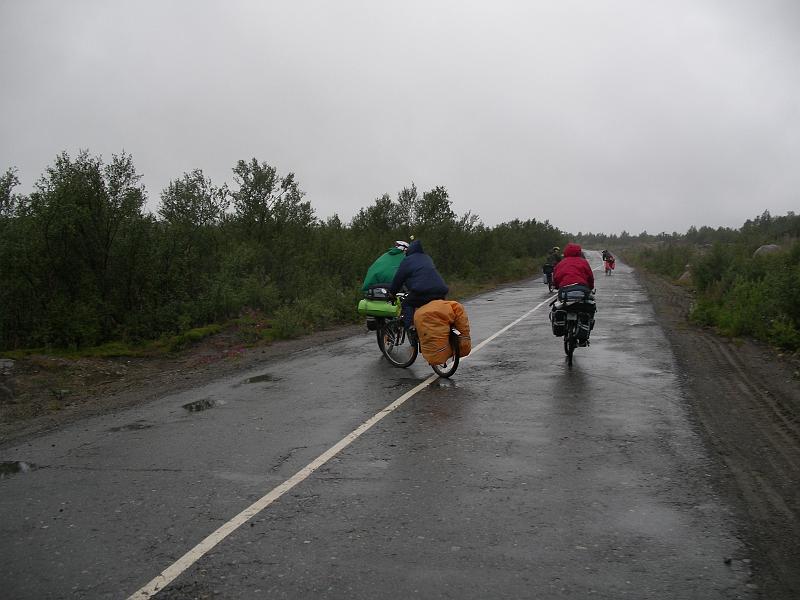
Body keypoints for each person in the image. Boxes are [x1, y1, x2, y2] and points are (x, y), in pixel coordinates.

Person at [389, 239, 448, 330]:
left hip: (422, 291)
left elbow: (398, 279)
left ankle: (410, 326)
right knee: (439, 309)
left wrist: (392, 293)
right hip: (440, 290)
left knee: (407, 304)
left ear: (409, 251)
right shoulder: (427, 258)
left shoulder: (407, 260)